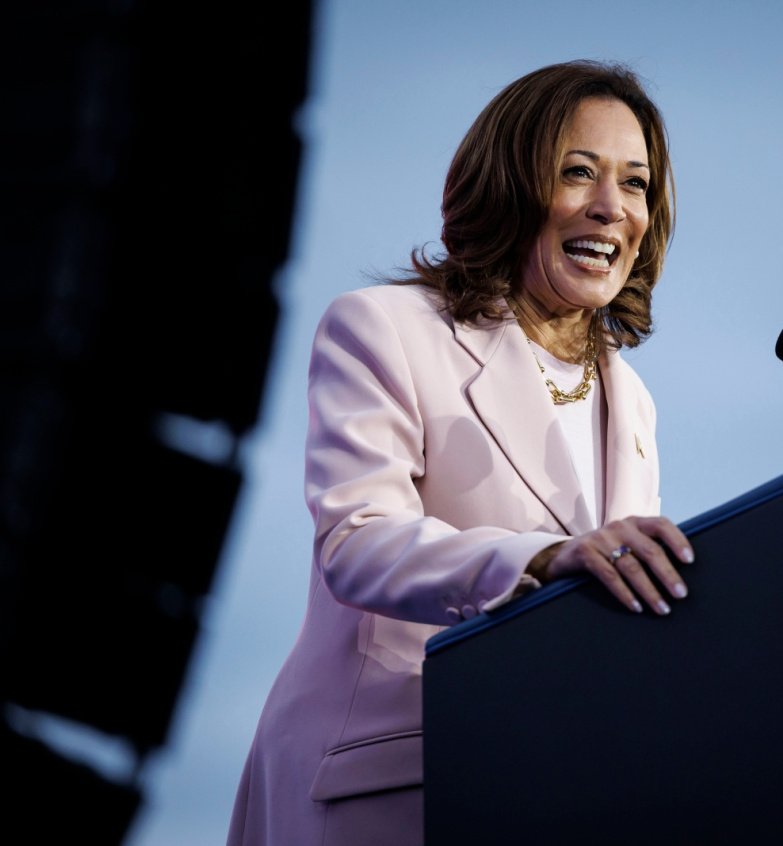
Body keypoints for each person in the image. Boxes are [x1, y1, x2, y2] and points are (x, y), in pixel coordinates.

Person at [227, 61, 692, 846]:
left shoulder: (634, 402)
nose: (612, 207)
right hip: (384, 777)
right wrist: (544, 557)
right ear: (510, 183)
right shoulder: (385, 328)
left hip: (541, 788)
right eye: (578, 172)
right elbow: (357, 542)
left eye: (636, 183)